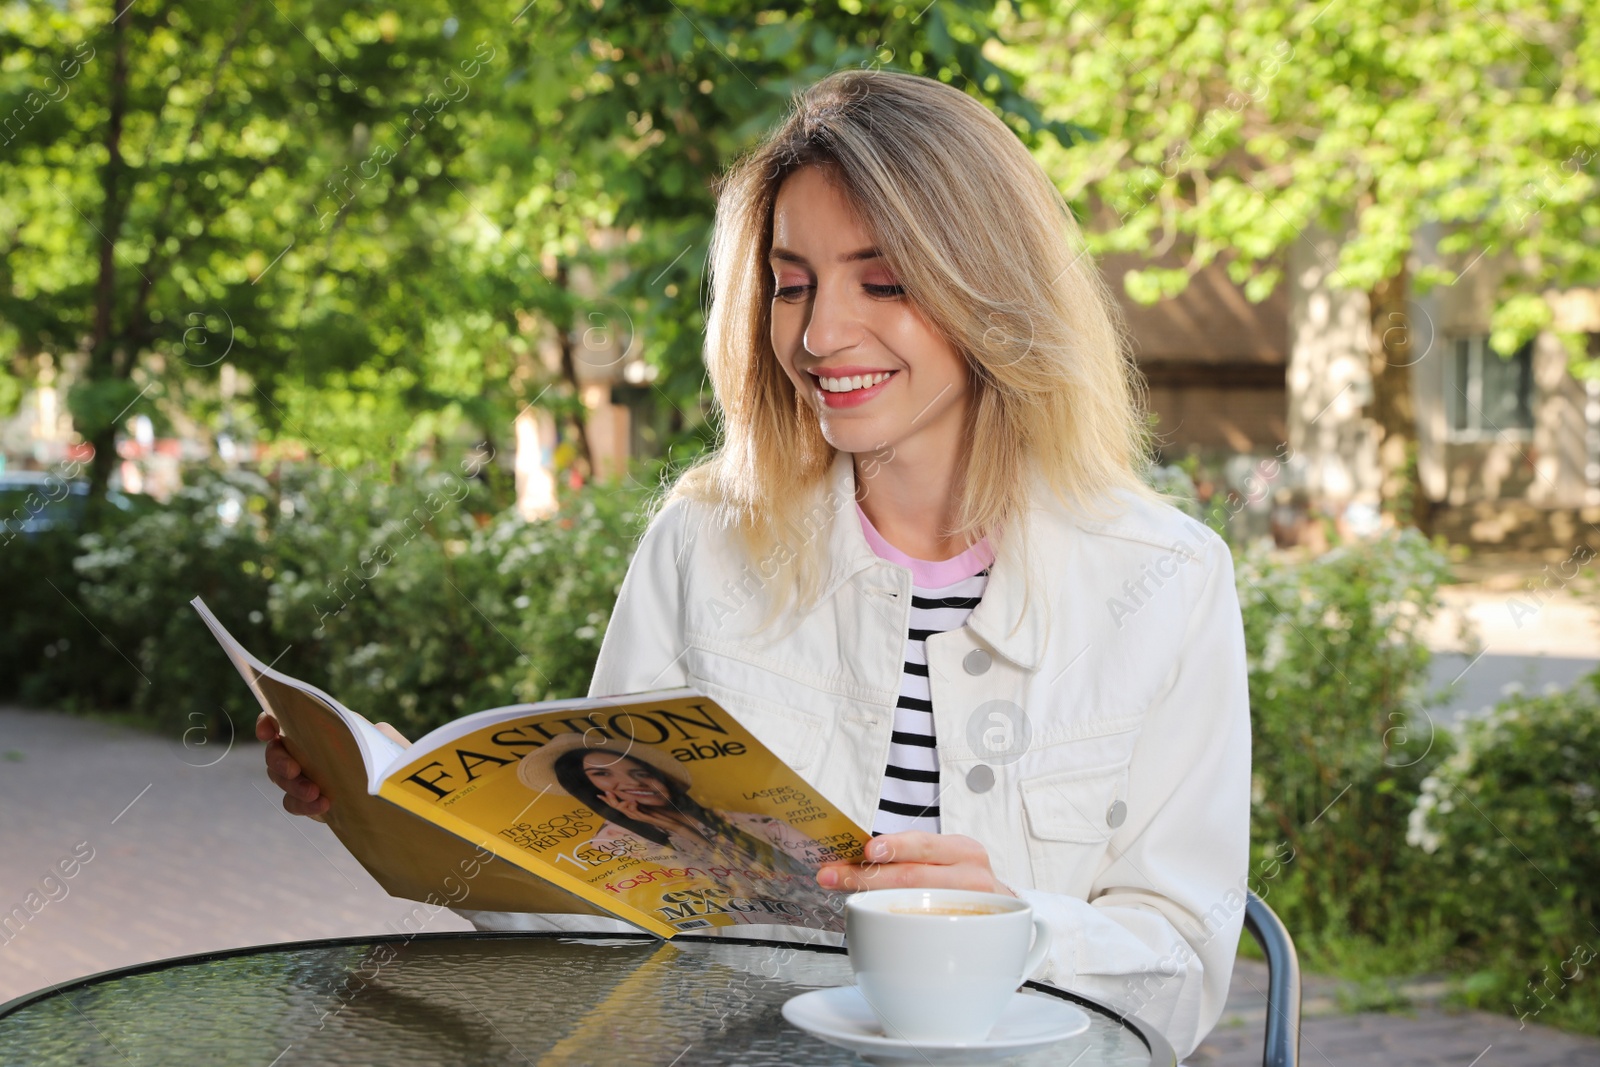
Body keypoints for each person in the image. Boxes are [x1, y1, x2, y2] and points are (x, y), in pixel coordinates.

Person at [261, 67, 1251, 1059]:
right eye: (790, 283)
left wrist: (1008, 920)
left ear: (991, 288)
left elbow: (1182, 968)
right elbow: (608, 904)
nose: (819, 334)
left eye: (883, 280)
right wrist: (422, 813)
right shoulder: (700, 542)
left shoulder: (1164, 580)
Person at [520, 734, 844, 927]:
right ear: (588, 789)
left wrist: (681, 826)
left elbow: (822, 880)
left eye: (639, 771)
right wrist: (678, 831)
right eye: (604, 775)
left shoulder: (740, 821)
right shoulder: (609, 847)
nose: (633, 783)